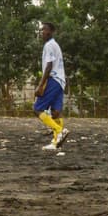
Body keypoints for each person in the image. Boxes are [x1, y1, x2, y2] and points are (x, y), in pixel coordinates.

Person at [35, 21, 68, 150]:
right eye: (42, 30)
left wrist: (40, 85)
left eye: (45, 30)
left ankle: (59, 131)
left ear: (51, 32)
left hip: (53, 79)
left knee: (37, 108)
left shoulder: (49, 45)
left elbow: (49, 66)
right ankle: (55, 143)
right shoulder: (56, 45)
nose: (43, 32)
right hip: (60, 80)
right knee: (55, 113)